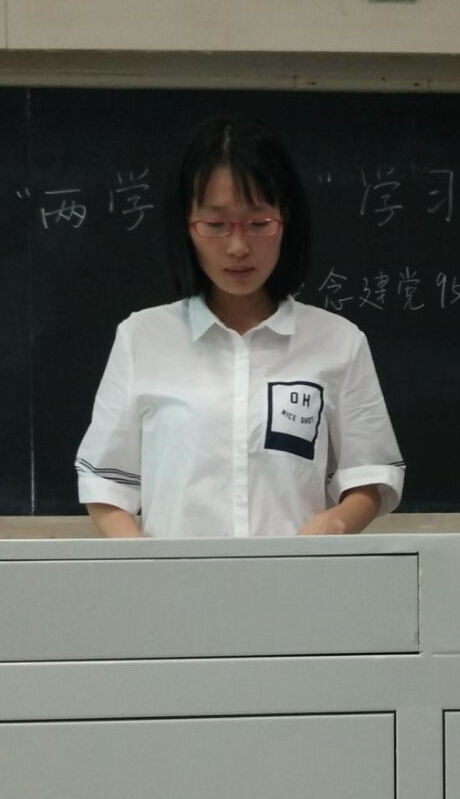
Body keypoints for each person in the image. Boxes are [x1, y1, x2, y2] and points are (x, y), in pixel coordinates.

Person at [76, 117, 405, 537]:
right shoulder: (142, 337)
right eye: (216, 225)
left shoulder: (338, 341)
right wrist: (146, 562)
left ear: (286, 220)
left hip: (298, 575)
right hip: (176, 578)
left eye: (258, 223)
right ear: (187, 226)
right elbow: (105, 483)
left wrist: (337, 522)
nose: (237, 246)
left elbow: (370, 476)